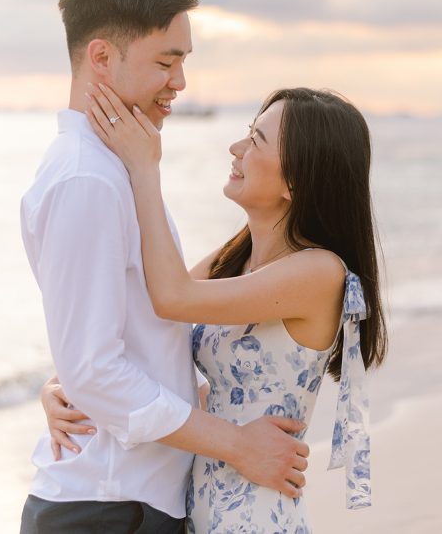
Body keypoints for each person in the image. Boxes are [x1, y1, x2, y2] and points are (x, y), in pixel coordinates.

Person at [19, 0, 310, 534]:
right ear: (101, 57)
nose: (179, 82)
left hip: (130, 499)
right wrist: (236, 445)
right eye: (165, 62)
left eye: (182, 63)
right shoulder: (88, 180)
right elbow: (95, 370)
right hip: (105, 505)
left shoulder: (114, 170)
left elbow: (132, 330)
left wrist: (63, 381)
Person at [46, 83, 389, 531]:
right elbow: (141, 324)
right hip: (197, 510)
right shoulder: (236, 258)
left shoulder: (320, 272)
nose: (236, 147)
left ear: (296, 181)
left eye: (256, 141)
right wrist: (62, 383)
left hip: (256, 518)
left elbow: (170, 298)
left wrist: (144, 169)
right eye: (248, 132)